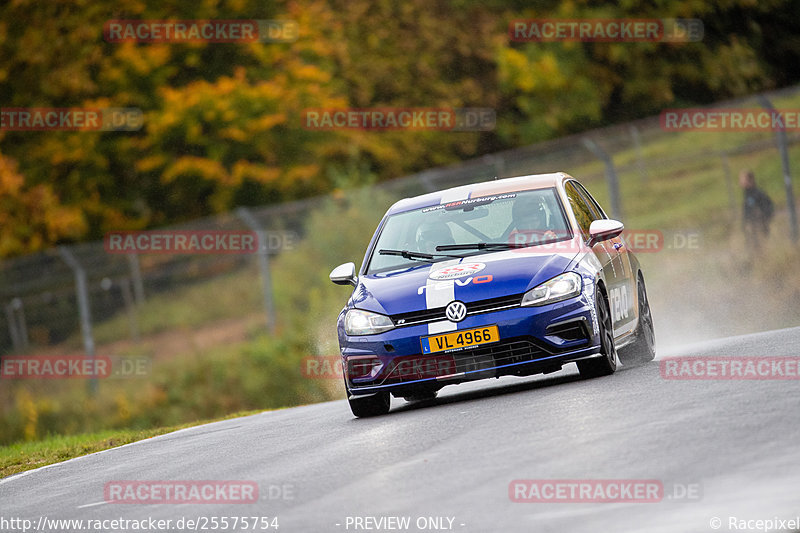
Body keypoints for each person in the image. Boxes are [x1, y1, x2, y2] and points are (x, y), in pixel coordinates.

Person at [740, 169, 774, 247]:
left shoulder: (757, 194)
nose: (740, 182)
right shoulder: (747, 194)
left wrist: (761, 222)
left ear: (750, 181)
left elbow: (768, 208)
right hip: (751, 231)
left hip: (758, 229)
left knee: (760, 248)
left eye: (742, 179)